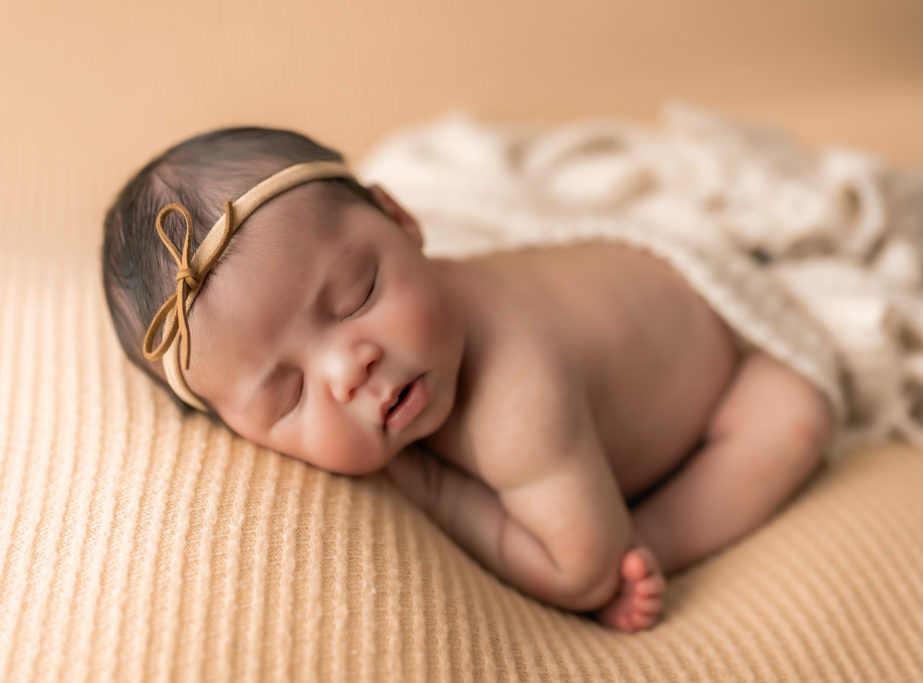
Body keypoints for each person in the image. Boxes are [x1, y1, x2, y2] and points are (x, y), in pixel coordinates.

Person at [102, 127, 834, 632]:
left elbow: (581, 570)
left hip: (720, 346)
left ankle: (661, 529)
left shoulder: (515, 398)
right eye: (288, 394)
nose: (347, 368)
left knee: (795, 414)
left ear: (403, 218)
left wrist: (433, 488)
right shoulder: (405, 339)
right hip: (621, 307)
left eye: (356, 295)